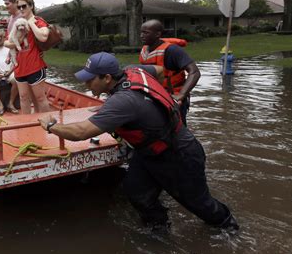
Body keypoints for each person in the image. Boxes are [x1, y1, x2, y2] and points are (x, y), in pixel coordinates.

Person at [38, 52, 239, 232]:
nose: (86, 85)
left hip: (179, 153)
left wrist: (50, 126)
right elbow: (160, 71)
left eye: (90, 80)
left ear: (107, 78)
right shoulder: (134, 70)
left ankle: (229, 228)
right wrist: (160, 100)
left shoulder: (123, 101)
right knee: (136, 192)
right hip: (149, 152)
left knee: (200, 204)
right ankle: (159, 228)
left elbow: (81, 132)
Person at [139, 19, 201, 125]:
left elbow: (195, 72)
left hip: (173, 97)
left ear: (158, 34)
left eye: (146, 33)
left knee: (177, 129)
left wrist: (181, 95)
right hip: (155, 95)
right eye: (141, 32)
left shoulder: (172, 51)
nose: (141, 35)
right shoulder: (145, 50)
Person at [5, 0, 50, 114]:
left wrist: (31, 23)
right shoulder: (17, 23)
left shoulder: (38, 21)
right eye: (19, 7)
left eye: (24, 6)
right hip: (20, 67)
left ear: (31, 6)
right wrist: (15, 43)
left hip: (35, 66)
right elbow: (6, 42)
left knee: (40, 98)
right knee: (23, 98)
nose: (21, 9)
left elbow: (43, 37)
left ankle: (47, 126)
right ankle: (26, 126)